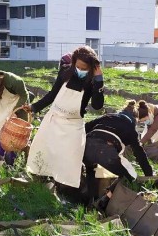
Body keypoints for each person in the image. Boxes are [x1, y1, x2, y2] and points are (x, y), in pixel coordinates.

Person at [23, 46, 103, 188]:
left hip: (73, 125)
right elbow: (52, 95)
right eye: (78, 66)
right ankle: (40, 180)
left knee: (69, 158)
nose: (80, 70)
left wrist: (99, 80)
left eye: (84, 68)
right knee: (45, 150)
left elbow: (97, 105)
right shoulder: (65, 72)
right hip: (54, 120)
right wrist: (34, 107)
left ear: (91, 67)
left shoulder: (92, 82)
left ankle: (63, 187)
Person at [81, 100, 154, 206]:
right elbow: (139, 153)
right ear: (135, 118)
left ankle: (89, 202)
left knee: (91, 172)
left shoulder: (106, 117)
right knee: (129, 177)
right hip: (106, 151)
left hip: (87, 147)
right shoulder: (130, 128)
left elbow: (84, 128)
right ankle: (104, 200)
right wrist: (149, 174)